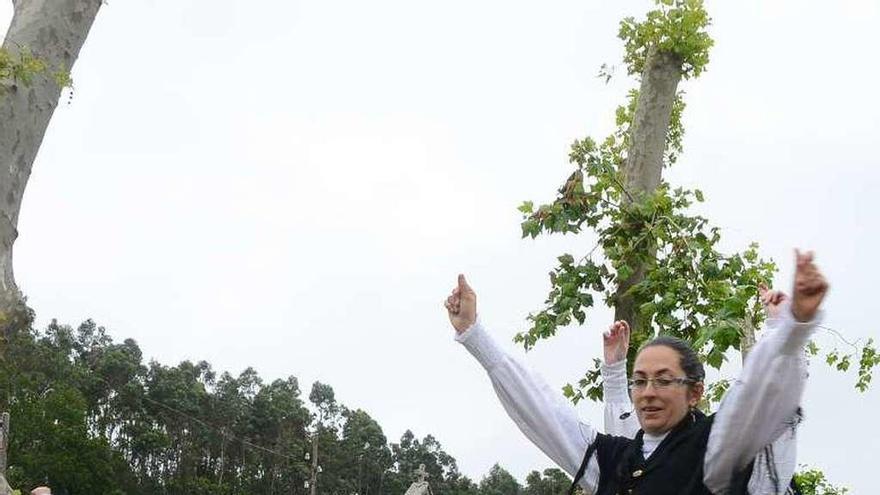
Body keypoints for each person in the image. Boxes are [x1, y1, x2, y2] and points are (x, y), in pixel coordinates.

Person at [444, 250, 827, 494]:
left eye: (663, 380)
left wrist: (789, 329)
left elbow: (756, 403)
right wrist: (475, 335)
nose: (647, 393)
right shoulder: (615, 461)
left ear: (695, 393)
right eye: (640, 381)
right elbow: (545, 414)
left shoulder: (714, 450)